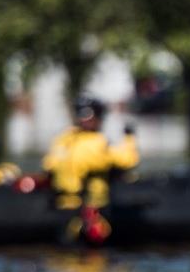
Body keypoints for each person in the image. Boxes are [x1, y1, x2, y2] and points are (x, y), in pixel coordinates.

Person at [43, 95, 140, 240]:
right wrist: (129, 138)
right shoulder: (97, 143)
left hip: (63, 207)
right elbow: (128, 160)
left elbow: (48, 165)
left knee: (66, 250)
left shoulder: (63, 141)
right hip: (92, 210)